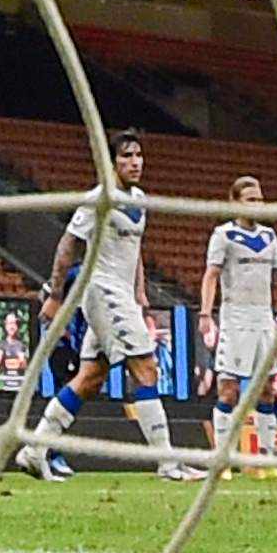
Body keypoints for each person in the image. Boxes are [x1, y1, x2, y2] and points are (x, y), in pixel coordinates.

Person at [30, 131, 189, 479]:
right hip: (102, 291)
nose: (135, 162)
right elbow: (68, 244)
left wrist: (141, 292)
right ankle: (168, 463)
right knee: (146, 369)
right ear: (111, 162)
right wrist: (56, 295)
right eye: (126, 156)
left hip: (123, 294)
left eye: (138, 156)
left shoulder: (140, 200)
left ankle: (34, 449)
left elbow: (136, 251)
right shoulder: (99, 199)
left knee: (91, 377)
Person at [201, 175, 277, 447]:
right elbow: (211, 275)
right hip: (235, 320)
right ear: (235, 203)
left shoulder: (269, 236)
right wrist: (205, 314)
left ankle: (268, 457)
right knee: (229, 391)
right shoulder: (223, 235)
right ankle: (223, 459)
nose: (258, 204)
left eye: (260, 199)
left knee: (266, 391)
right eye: (251, 200)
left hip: (264, 320)